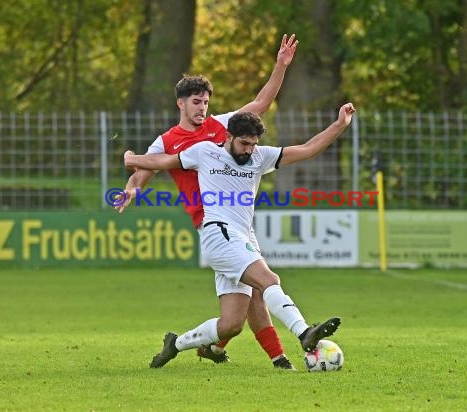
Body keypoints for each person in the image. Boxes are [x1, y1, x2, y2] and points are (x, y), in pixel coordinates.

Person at [123, 102, 356, 369]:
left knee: (232, 324)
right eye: (244, 143)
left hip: (241, 237)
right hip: (217, 234)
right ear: (228, 137)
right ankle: (304, 332)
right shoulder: (205, 152)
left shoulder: (259, 156)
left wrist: (339, 125)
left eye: (253, 144)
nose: (249, 150)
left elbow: (307, 149)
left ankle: (174, 344)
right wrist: (133, 160)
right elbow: (164, 161)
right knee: (269, 279)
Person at [116, 34, 299, 369]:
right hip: (212, 224)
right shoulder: (167, 140)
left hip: (237, 222)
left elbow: (260, 104)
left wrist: (280, 66)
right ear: (181, 104)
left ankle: (261, 355)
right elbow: (145, 169)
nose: (203, 108)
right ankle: (283, 352)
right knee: (258, 286)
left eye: (205, 102)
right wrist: (130, 190)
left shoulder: (221, 126)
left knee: (245, 304)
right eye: (196, 102)